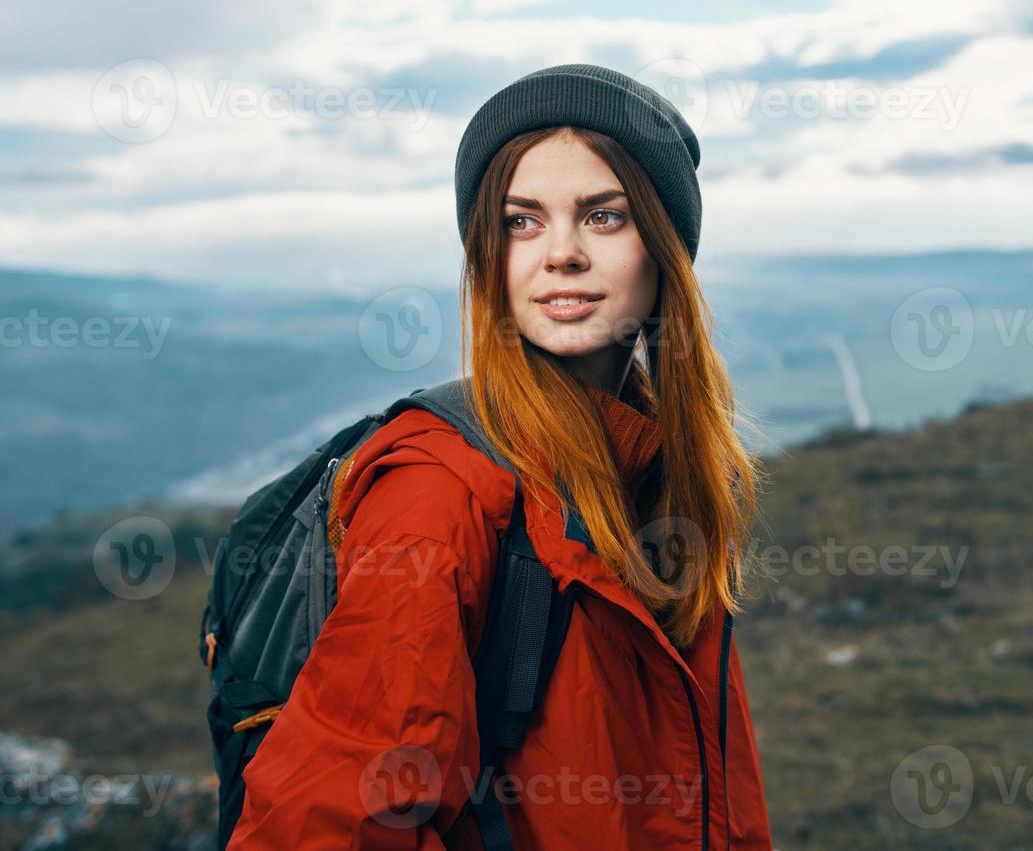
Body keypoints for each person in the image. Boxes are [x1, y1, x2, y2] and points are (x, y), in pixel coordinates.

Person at [227, 63, 774, 849]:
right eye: (522, 221)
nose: (561, 255)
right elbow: (335, 821)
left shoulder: (663, 471)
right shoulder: (442, 487)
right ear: (488, 253)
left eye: (604, 217)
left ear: (665, 247)